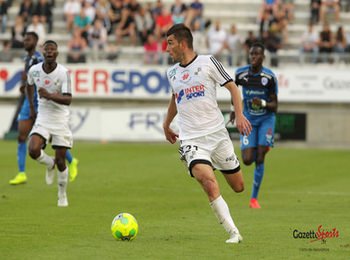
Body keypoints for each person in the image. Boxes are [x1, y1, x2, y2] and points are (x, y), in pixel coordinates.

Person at [163, 24, 252, 243]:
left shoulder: (208, 62)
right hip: (191, 139)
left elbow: (232, 87)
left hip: (217, 135)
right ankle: (234, 232)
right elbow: (176, 98)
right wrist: (167, 124)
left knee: (238, 187)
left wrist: (239, 115)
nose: (167, 49)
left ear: (183, 43)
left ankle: (219, 163)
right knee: (208, 182)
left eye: (170, 43)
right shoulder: (172, 72)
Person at [9, 32, 78, 186]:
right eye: (24, 39)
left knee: (54, 138)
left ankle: (71, 161)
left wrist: (41, 100)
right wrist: (26, 91)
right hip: (30, 102)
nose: (25, 41)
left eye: (28, 39)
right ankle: (21, 173)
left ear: (35, 41)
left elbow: (46, 83)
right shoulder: (28, 59)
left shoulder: (40, 59)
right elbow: (30, 82)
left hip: (44, 105)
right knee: (22, 137)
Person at [26, 40, 73, 207]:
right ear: (43, 53)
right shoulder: (34, 70)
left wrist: (49, 95)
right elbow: (29, 85)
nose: (49, 52)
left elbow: (68, 99)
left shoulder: (64, 73)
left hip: (60, 118)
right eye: (47, 50)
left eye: (52, 50)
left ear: (57, 53)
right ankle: (49, 163)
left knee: (62, 161)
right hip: (44, 117)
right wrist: (32, 107)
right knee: (32, 150)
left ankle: (62, 193)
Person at [234, 42, 278, 209]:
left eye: (257, 54)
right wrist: (234, 110)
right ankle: (261, 145)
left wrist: (264, 103)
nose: (253, 57)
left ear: (263, 57)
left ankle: (253, 199)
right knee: (246, 160)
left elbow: (275, 106)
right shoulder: (240, 74)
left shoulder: (269, 77)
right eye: (251, 54)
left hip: (266, 119)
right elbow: (234, 91)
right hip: (249, 119)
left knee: (259, 158)